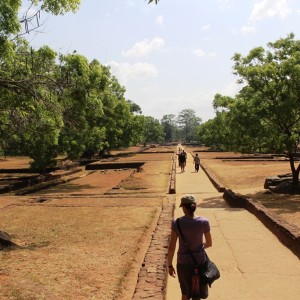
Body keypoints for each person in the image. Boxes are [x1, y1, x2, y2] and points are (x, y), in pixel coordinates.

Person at [167, 195, 212, 300]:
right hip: (200, 262)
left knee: (185, 293)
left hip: (183, 263)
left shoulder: (177, 223)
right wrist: (199, 248)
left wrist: (169, 265)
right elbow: (209, 243)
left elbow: (171, 248)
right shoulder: (204, 222)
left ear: (183, 207)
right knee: (197, 293)